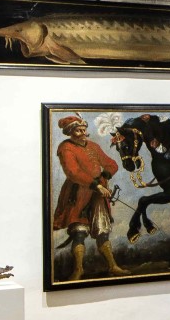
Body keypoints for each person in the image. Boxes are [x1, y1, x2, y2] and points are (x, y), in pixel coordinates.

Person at [50, 114, 125, 279]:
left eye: (84, 129)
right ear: (71, 132)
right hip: (77, 195)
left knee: (102, 231)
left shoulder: (93, 146)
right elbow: (72, 172)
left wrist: (105, 175)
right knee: (79, 232)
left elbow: (111, 164)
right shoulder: (65, 148)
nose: (82, 132)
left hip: (99, 194)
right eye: (78, 130)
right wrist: (95, 185)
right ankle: (78, 270)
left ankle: (112, 266)